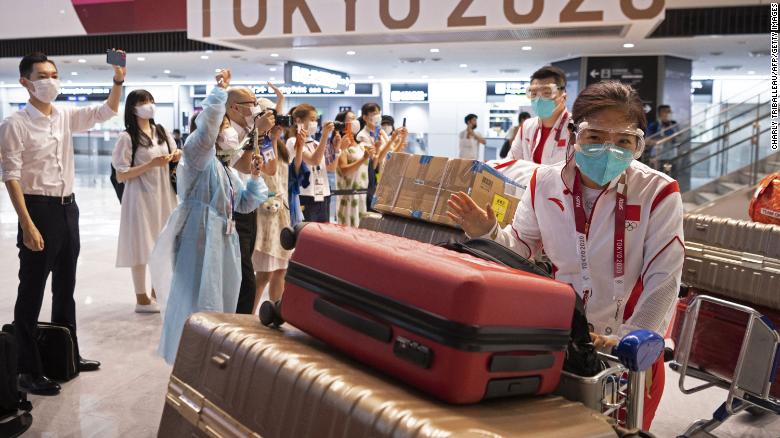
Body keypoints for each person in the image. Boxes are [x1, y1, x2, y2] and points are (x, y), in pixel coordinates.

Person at [448, 81, 684, 429]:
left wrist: (629, 341)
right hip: (562, 338)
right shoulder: (544, 183)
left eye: (624, 141)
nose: (609, 150)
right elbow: (521, 251)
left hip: (628, 348)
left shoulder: (657, 192)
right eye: (595, 137)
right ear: (576, 135)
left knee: (619, 430)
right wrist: (486, 233)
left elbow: (664, 278)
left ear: (637, 144)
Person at [0, 51, 122, 395]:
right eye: (42, 75)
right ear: (25, 83)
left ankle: (67, 352)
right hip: (38, 209)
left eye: (54, 74)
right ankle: (27, 368)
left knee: (65, 286)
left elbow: (107, 111)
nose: (50, 80)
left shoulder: (65, 116)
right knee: (31, 290)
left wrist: (117, 79)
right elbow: (10, 176)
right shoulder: (14, 124)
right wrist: (26, 224)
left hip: (69, 209)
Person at [149, 69, 268, 364]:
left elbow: (244, 203)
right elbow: (206, 134)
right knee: (196, 299)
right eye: (223, 124)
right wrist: (219, 93)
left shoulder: (223, 167)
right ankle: (191, 356)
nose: (228, 131)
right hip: (197, 238)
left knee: (221, 298)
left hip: (223, 241)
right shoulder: (196, 154)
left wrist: (254, 178)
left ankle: (212, 353)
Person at [112, 90, 180, 313]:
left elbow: (173, 157)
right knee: (141, 245)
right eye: (143, 102)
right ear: (132, 108)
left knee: (163, 244)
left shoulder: (161, 131)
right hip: (139, 196)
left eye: (151, 101)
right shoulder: (127, 137)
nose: (149, 105)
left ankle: (156, 292)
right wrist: (150, 165)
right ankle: (141, 298)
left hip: (163, 195)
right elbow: (121, 174)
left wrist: (175, 156)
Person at [222, 84, 284, 315]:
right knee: (245, 279)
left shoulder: (252, 132)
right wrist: (256, 133)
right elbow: (244, 165)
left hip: (249, 204)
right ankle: (239, 326)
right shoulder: (228, 133)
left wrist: (269, 137)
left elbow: (269, 168)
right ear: (234, 107)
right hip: (231, 209)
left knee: (245, 268)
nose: (256, 107)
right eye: (252, 103)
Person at [253, 125, 308, 311]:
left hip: (282, 209)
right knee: (264, 273)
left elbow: (294, 172)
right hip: (266, 209)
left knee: (281, 269)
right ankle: (248, 314)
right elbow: (271, 169)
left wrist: (300, 148)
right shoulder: (260, 143)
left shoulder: (283, 146)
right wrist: (273, 139)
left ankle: (277, 311)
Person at [509, 66, 572, 165]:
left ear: (563, 96)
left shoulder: (576, 128)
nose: (538, 99)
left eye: (547, 93)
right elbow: (511, 163)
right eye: (533, 93)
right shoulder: (527, 126)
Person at [285, 104, 333, 223]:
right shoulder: (292, 142)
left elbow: (331, 167)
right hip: (305, 195)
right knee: (307, 235)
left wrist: (336, 149)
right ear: (298, 121)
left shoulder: (316, 143)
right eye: (311, 119)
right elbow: (314, 160)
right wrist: (325, 136)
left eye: (316, 119)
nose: (315, 123)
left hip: (324, 194)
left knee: (324, 235)